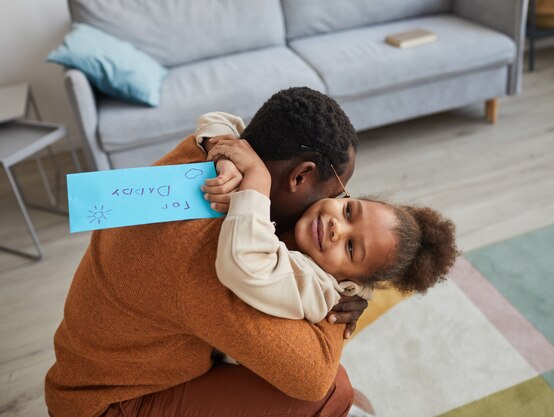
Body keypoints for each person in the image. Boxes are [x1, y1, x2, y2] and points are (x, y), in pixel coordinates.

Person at [45, 87, 365, 417]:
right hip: (106, 403)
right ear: (300, 176)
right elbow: (312, 379)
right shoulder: (212, 258)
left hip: (91, 365)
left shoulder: (208, 153)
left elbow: (217, 124)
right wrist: (339, 289)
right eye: (336, 194)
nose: (332, 208)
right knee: (333, 392)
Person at [205, 135, 458, 324]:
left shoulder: (319, 290)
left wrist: (256, 176)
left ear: (348, 281)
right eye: (348, 211)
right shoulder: (298, 211)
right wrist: (226, 158)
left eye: (350, 247)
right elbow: (215, 121)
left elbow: (245, 264)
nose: (337, 227)